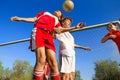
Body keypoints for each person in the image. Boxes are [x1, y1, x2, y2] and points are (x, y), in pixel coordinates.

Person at [10, 10, 82, 80]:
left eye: (59, 11)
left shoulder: (56, 20)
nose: (57, 10)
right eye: (57, 10)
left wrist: (75, 27)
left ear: (60, 17)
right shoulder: (45, 13)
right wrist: (20, 18)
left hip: (49, 36)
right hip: (39, 31)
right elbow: (33, 19)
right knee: (41, 59)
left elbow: (60, 30)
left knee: (54, 63)